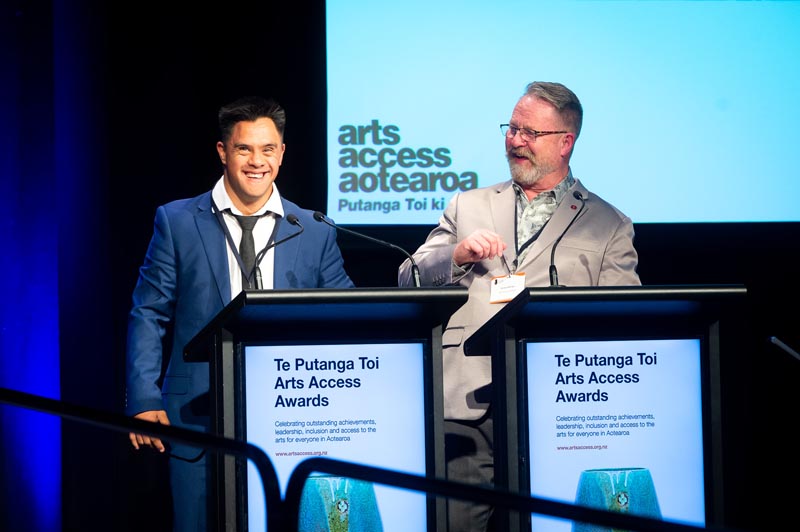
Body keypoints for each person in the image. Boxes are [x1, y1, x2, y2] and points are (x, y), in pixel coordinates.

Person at [398, 81, 641, 531]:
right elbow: (408, 274)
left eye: (531, 133)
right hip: (466, 407)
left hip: (557, 409)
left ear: (566, 141)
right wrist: (457, 255)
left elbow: (621, 321)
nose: (515, 141)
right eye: (512, 129)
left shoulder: (609, 224)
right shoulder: (466, 204)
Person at [125, 95, 355, 531]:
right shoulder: (177, 221)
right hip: (195, 415)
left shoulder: (312, 229)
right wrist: (143, 397)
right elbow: (148, 312)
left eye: (268, 149)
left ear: (282, 154)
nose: (257, 161)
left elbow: (343, 315)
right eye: (244, 149)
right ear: (223, 152)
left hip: (290, 417)